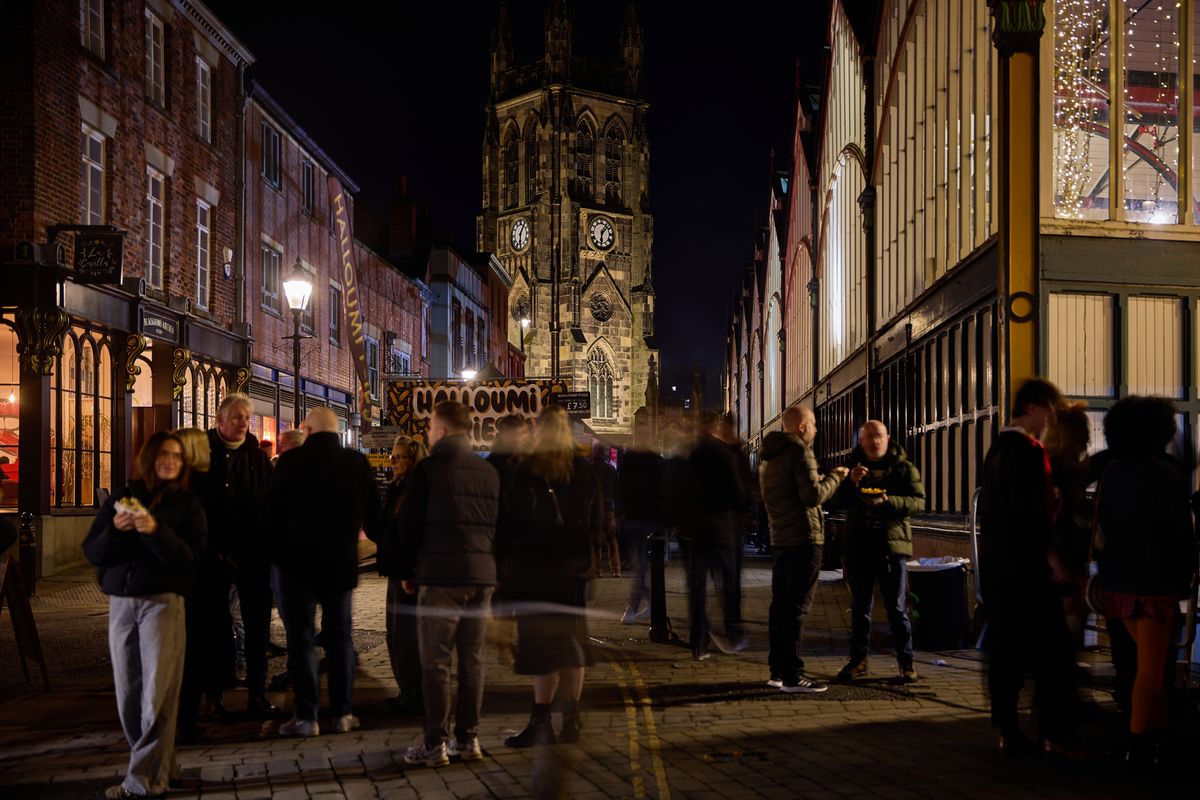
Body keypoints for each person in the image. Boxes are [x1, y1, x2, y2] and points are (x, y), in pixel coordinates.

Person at [82, 432, 206, 799]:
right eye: (163, 455)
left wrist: (156, 531)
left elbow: (191, 558)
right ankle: (161, 765)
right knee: (129, 693)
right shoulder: (124, 498)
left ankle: (142, 780)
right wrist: (115, 532)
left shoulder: (188, 505)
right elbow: (93, 552)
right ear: (148, 458)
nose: (169, 461)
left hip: (162, 603)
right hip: (122, 603)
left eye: (176, 457)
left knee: (156, 692)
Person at [979, 377, 1081, 757]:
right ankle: (1056, 734)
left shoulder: (996, 451)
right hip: (1029, 571)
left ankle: (1007, 729)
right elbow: (1032, 515)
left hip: (999, 569)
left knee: (1005, 653)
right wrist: (1053, 560)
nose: (1051, 420)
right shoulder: (1028, 451)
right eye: (1050, 411)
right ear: (1034, 407)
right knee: (1054, 656)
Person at [265, 408, 382, 737]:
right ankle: (343, 713)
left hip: (295, 566)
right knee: (340, 638)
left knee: (300, 639)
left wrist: (274, 557)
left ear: (307, 429)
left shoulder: (289, 463)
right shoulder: (357, 463)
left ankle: (307, 717)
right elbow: (374, 514)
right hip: (339, 565)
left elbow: (270, 515)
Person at [396, 401, 501, 767]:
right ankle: (468, 739)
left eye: (429, 428)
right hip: (481, 576)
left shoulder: (428, 470)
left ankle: (434, 743)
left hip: (441, 578)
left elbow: (409, 528)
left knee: (436, 662)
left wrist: (408, 572)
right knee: (473, 660)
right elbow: (497, 529)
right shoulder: (488, 472)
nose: (427, 434)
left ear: (440, 431)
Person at [1093, 396, 1195, 766]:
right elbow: (1179, 532)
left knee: (1145, 663)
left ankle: (1157, 736)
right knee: (1153, 668)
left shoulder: (1113, 471)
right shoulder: (1166, 476)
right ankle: (1138, 745)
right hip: (1153, 583)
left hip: (1118, 581)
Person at [499, 405, 603, 747]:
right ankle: (571, 722)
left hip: (535, 572)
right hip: (573, 572)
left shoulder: (525, 469)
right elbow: (596, 522)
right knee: (572, 646)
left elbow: (510, 527)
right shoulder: (584, 470)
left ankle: (540, 721)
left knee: (542, 649)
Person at [200, 394, 279, 718]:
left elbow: (268, 504)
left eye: (246, 418)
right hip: (214, 556)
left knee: (258, 625)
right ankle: (214, 693)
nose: (242, 424)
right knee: (214, 626)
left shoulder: (256, 458)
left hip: (252, 556)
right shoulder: (203, 454)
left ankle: (257, 693)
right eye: (236, 418)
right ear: (220, 420)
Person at [758, 405, 847, 693]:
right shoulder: (799, 451)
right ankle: (794, 675)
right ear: (801, 427)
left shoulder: (769, 456)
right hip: (805, 539)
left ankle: (777, 672)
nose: (817, 429)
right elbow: (812, 497)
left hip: (781, 538)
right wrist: (836, 477)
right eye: (813, 423)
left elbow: (789, 493)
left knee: (780, 606)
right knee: (797, 608)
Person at [832, 420, 924, 683]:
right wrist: (850, 482)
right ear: (861, 441)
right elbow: (838, 502)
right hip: (860, 546)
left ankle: (906, 663)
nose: (874, 441)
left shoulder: (903, 468)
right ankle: (858, 661)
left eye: (879, 436)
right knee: (860, 607)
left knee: (896, 607)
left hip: (891, 546)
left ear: (888, 438)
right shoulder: (853, 467)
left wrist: (888, 502)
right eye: (869, 437)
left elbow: (918, 501)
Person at [173, 427, 232, 742]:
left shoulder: (171, 484)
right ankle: (194, 712)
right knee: (200, 646)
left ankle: (182, 715)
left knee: (187, 646)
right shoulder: (206, 482)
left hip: (187, 576)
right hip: (205, 574)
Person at [682, 411, 752, 661]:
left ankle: (698, 643)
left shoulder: (690, 456)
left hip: (695, 532)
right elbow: (737, 492)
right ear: (714, 428)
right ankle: (733, 633)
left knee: (698, 588)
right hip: (722, 530)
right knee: (729, 583)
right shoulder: (724, 455)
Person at [374, 434, 428, 715]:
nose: (392, 462)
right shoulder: (397, 487)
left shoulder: (415, 490)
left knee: (405, 636)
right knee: (395, 634)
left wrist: (409, 569)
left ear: (412, 459)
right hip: (396, 570)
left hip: (407, 574)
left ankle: (413, 691)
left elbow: (411, 534)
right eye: (391, 457)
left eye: (397, 457)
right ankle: (409, 688)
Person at [1043, 402, 1092, 648]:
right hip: (1064, 561)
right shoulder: (1065, 472)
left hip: (1057, 561)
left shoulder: (1048, 466)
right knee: (1067, 630)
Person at [617, 416, 665, 623]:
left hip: (649, 519)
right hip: (631, 518)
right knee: (638, 565)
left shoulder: (656, 459)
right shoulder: (628, 459)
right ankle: (654, 602)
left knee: (640, 565)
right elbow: (620, 488)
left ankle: (632, 607)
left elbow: (663, 491)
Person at [590, 444, 620, 577]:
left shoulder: (589, 468)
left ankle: (597, 570)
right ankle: (616, 570)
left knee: (596, 541)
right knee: (612, 539)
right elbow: (616, 488)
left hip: (594, 508)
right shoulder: (610, 468)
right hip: (609, 507)